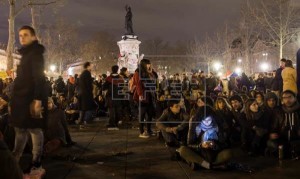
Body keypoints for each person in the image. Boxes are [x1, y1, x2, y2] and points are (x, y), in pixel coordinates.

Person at [10, 25, 47, 176]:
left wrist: (37, 100)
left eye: (25, 35)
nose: (22, 38)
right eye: (20, 35)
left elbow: (38, 78)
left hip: (29, 99)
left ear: (33, 37)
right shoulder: (26, 54)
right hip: (21, 100)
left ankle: (36, 162)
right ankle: (15, 160)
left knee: (34, 130)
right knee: (20, 130)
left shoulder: (35, 54)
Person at [268, 90, 300, 159]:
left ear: (295, 98)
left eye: (290, 97)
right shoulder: (278, 111)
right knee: (271, 144)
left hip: (297, 139)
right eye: (285, 98)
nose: (287, 100)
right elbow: (274, 125)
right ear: (282, 100)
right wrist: (272, 133)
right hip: (282, 138)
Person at [133, 59, 158, 138]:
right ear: (143, 64)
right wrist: (140, 94)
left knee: (150, 114)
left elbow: (156, 78)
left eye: (150, 64)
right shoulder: (138, 72)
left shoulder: (150, 72)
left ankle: (149, 129)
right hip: (143, 96)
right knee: (142, 114)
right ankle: (142, 131)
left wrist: (151, 72)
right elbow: (138, 84)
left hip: (150, 95)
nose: (149, 65)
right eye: (147, 64)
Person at [103, 65, 124, 129]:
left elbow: (104, 87)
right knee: (118, 109)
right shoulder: (120, 78)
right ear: (117, 70)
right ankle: (117, 122)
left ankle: (112, 123)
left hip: (110, 96)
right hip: (118, 96)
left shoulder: (108, 78)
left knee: (111, 110)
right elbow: (123, 87)